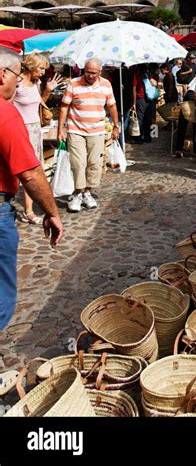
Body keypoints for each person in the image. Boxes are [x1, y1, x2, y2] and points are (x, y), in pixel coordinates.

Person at [0, 49, 63, 331]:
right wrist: (51, 212)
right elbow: (30, 172)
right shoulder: (5, 114)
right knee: (2, 295)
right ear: (3, 75)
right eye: (15, 74)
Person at [58, 58, 119, 213]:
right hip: (76, 129)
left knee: (94, 163)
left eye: (94, 73)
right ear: (83, 70)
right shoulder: (73, 84)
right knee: (78, 163)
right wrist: (61, 128)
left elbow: (112, 106)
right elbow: (64, 107)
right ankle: (78, 193)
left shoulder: (106, 84)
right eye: (87, 72)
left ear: (100, 72)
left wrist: (116, 126)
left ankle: (87, 192)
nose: (90, 75)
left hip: (97, 130)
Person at [13, 53, 63, 225]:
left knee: (33, 169)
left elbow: (39, 103)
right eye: (41, 68)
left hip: (35, 129)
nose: (43, 72)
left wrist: (48, 91)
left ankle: (28, 211)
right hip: (19, 129)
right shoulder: (16, 83)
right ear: (32, 66)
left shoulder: (37, 83)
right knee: (17, 170)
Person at [132, 64, 158, 143]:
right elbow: (155, 84)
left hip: (140, 99)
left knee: (139, 118)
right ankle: (148, 137)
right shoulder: (147, 76)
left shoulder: (136, 76)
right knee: (148, 119)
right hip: (149, 99)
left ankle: (138, 138)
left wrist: (133, 102)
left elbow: (134, 89)